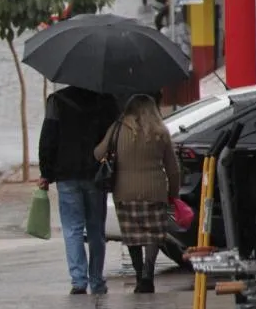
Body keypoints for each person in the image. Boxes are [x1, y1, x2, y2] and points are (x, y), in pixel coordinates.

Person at [94, 94, 180, 294]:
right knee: (153, 235)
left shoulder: (117, 129)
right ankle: (148, 274)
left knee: (132, 236)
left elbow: (98, 153)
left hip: (124, 192)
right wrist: (173, 195)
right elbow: (173, 169)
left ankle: (139, 273)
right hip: (155, 191)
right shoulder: (161, 132)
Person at [39, 86, 121, 295]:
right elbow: (114, 137)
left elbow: (48, 137)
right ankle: (96, 280)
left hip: (66, 174)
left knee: (72, 229)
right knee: (96, 231)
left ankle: (78, 281)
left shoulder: (57, 101)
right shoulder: (105, 100)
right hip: (95, 173)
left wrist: (46, 172)